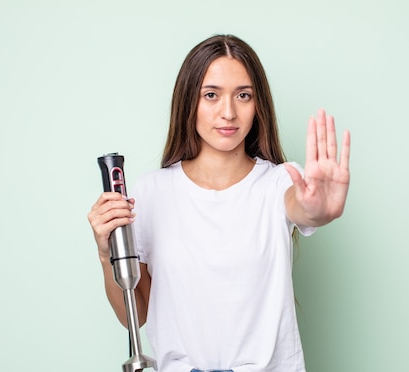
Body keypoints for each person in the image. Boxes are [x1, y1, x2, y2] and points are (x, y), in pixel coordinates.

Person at [88, 34, 351, 372]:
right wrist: (105, 253)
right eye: (211, 95)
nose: (228, 112)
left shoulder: (279, 182)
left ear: (258, 106)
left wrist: (318, 208)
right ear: (189, 102)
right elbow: (134, 315)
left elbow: (302, 206)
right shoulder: (151, 191)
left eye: (243, 96)